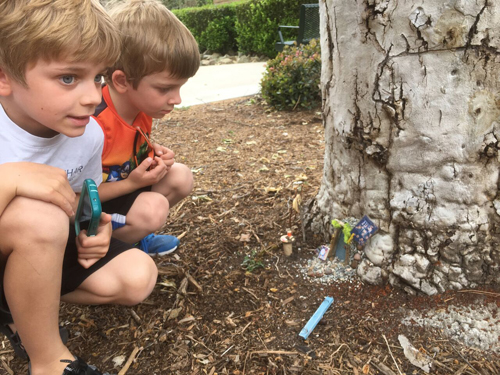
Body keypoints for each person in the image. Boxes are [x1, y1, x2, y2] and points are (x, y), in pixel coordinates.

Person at [0, 1, 158, 374]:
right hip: (27, 234)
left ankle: (17, 306)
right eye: (69, 78)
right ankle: (50, 360)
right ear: (4, 76)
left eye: (98, 77)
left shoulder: (86, 133)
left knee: (138, 277)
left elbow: (77, 196)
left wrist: (94, 225)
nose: (93, 96)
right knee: (39, 219)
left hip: (34, 248)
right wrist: (9, 179)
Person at [94, 0, 200, 256]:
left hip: (120, 191)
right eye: (165, 88)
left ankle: (134, 237)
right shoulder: (94, 123)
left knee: (180, 176)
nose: (177, 99)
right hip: (91, 209)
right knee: (152, 210)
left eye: (179, 87)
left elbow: (125, 155)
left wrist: (152, 156)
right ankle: (105, 250)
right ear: (121, 81)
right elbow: (77, 196)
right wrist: (132, 184)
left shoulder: (141, 110)